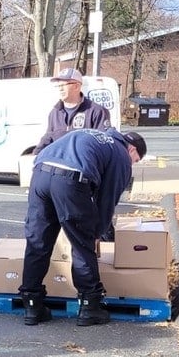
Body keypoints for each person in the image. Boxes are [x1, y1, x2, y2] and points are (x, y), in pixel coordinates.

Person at [18, 127, 147, 327]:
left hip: (40, 173)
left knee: (38, 241)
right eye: (136, 160)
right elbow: (107, 200)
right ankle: (89, 307)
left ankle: (32, 305)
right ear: (132, 150)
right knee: (81, 243)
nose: (133, 164)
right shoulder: (121, 155)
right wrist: (97, 232)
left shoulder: (95, 136)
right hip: (70, 179)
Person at [33, 68, 111, 155]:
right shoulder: (55, 113)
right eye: (58, 86)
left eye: (64, 85)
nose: (60, 89)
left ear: (77, 86)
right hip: (60, 165)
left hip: (85, 166)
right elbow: (48, 138)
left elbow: (104, 145)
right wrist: (36, 155)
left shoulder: (96, 111)